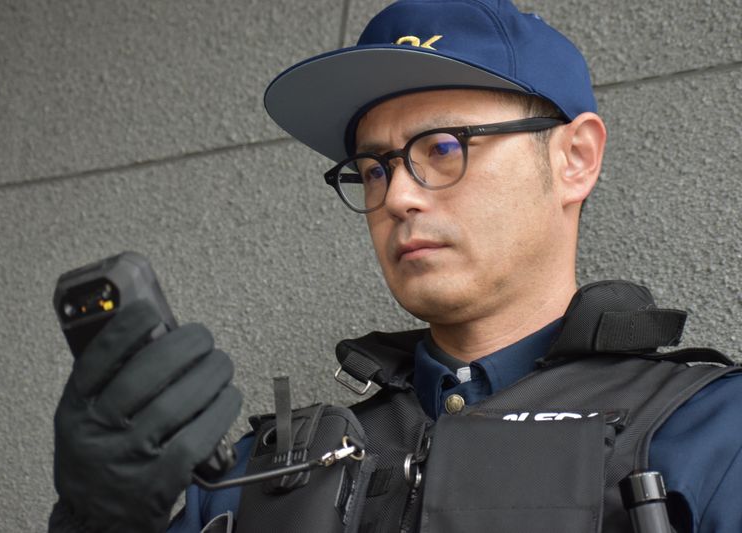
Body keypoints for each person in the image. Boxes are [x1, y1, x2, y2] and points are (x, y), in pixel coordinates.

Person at [48, 1, 742, 532]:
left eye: (443, 147)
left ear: (575, 159)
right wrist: (96, 519)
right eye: (374, 167)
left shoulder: (712, 433)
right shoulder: (250, 477)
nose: (398, 195)